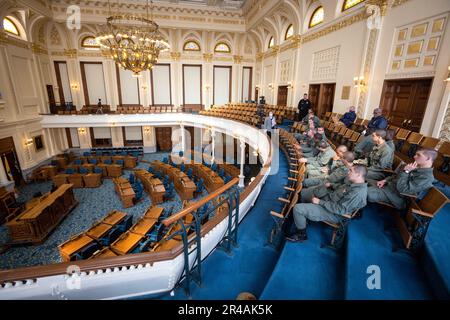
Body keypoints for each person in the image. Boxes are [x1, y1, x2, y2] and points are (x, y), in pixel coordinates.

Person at [286, 165, 368, 243]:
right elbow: (341, 187)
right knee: (303, 193)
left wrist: (320, 202)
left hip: (334, 214)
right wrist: (332, 185)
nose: (348, 172)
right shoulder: (355, 183)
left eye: (351, 171)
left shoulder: (357, 194)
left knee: (298, 209)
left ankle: (301, 234)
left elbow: (340, 210)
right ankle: (303, 218)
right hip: (330, 202)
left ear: (358, 175)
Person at [367, 148, 437, 209]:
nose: (414, 156)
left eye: (418, 155)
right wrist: (385, 180)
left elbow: (403, 189)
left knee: (366, 193)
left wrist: (406, 172)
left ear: (428, 158)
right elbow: (396, 176)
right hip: (389, 186)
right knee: (362, 181)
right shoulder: (415, 166)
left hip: (396, 196)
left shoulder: (427, 178)